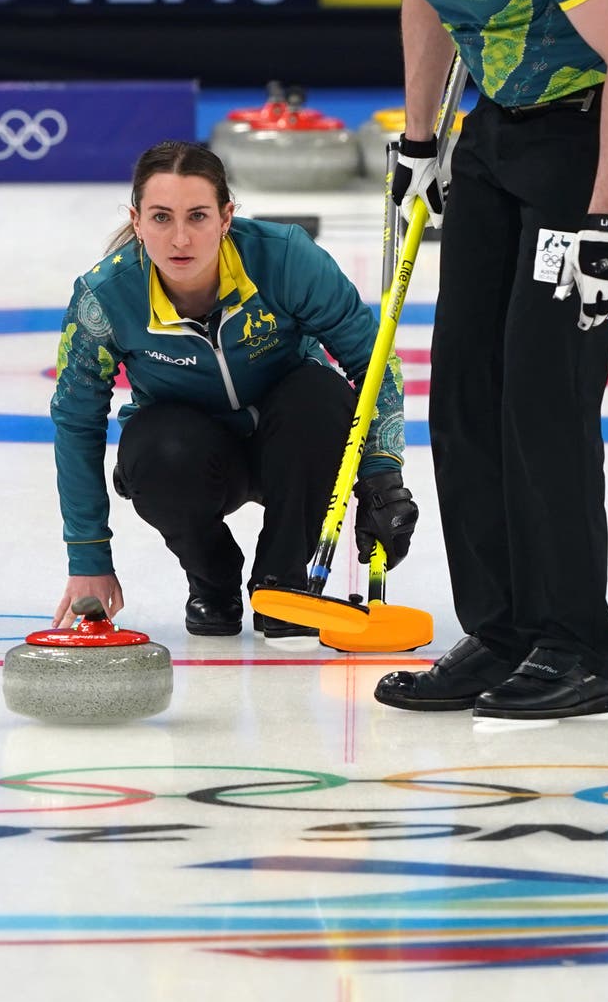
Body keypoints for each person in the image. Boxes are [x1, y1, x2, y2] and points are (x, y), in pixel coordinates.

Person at [287, 0, 608, 718]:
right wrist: (420, 137)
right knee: (463, 388)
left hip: (591, 134)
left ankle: (577, 644)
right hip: (496, 129)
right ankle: (501, 630)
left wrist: (604, 223)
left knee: (543, 396)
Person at [49, 140, 419, 637]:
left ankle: (281, 584)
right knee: (155, 447)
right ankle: (211, 583)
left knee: (322, 394)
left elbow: (375, 365)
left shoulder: (286, 259)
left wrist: (382, 477)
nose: (181, 238)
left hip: (292, 448)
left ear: (226, 217)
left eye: (197, 216)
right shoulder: (105, 298)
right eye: (161, 218)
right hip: (191, 460)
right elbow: (76, 420)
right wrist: (88, 555)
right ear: (136, 221)